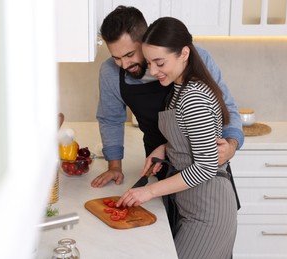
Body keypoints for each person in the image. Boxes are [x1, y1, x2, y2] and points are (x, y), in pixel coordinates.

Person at [116, 16, 237, 259]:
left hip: (208, 211)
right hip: (194, 206)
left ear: (183, 53)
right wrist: (165, 148)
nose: (152, 71)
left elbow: (205, 167)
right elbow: (190, 136)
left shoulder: (193, 96)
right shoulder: (180, 88)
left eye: (160, 62)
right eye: (149, 62)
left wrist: (149, 193)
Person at [91, 6, 244, 188]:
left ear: (145, 41)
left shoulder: (193, 58)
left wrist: (231, 146)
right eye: (116, 57)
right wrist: (114, 166)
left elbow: (226, 107)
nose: (124, 64)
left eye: (130, 54)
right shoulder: (110, 72)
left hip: (206, 171)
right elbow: (111, 119)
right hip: (158, 166)